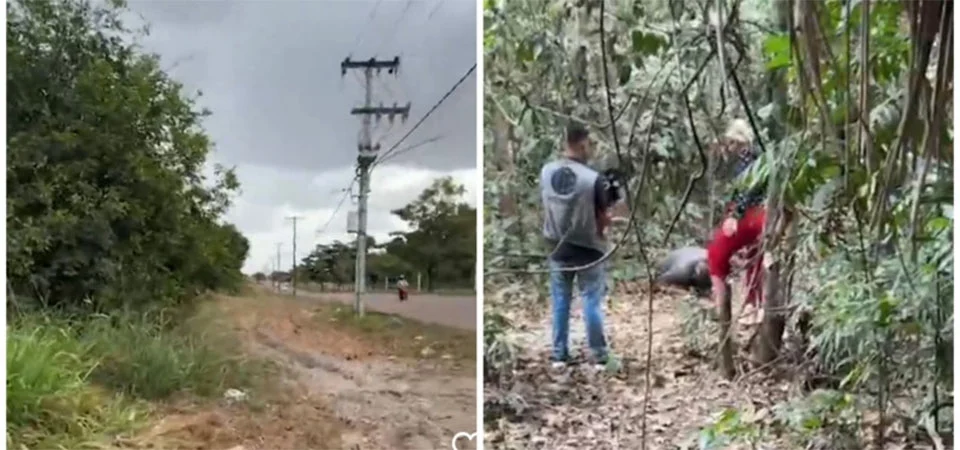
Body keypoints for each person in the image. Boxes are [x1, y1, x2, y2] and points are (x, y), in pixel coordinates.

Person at [540, 122, 619, 370]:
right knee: (591, 301)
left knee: (561, 300)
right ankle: (599, 356)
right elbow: (603, 216)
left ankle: (559, 355)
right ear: (583, 143)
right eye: (589, 144)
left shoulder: (546, 172)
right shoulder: (594, 179)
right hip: (588, 249)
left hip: (558, 247)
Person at [706, 119, 767, 324]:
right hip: (764, 213)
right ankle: (754, 305)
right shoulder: (760, 154)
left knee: (716, 252)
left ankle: (721, 303)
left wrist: (735, 215)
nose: (730, 147)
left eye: (732, 142)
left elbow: (748, 189)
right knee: (755, 257)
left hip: (753, 213)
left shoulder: (748, 157)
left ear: (740, 141)